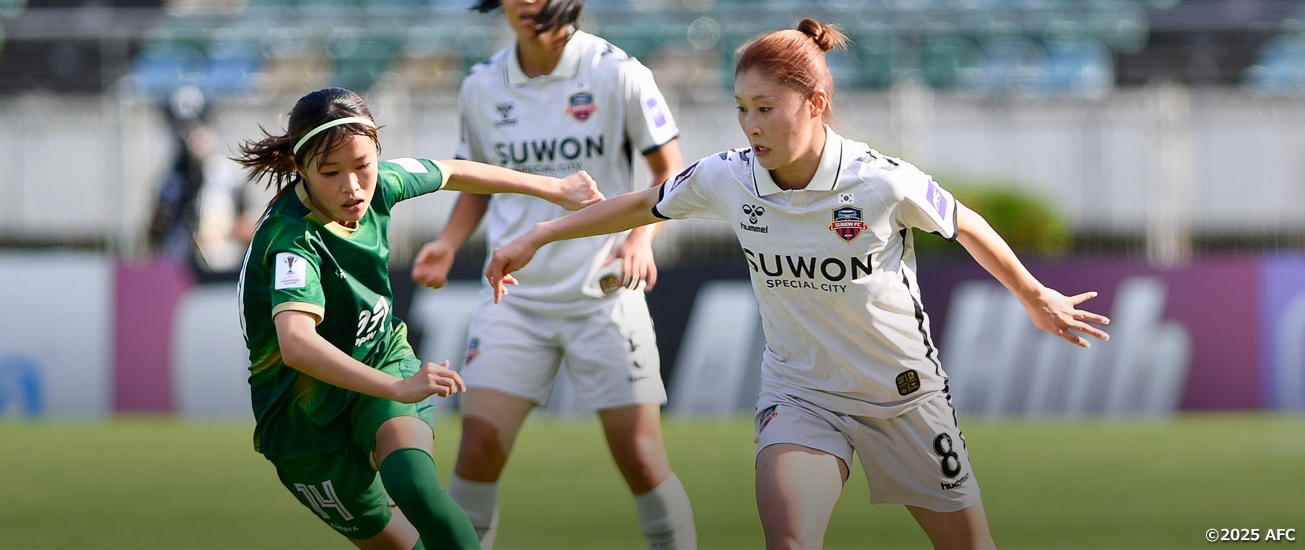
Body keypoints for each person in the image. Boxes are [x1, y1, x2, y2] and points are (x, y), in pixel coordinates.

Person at [484, 19, 1113, 549]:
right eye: (741, 109)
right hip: (802, 394)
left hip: (903, 395)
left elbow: (965, 222)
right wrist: (540, 234)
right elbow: (644, 204)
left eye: (765, 108)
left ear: (814, 103)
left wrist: (1034, 294)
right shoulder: (729, 177)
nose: (750, 125)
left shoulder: (879, 181)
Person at [233, 87, 602, 550]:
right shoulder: (290, 240)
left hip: (380, 358)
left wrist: (555, 189)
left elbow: (453, 171)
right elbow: (297, 345)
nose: (353, 186)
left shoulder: (382, 183)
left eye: (363, 165)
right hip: (303, 424)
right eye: (330, 172)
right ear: (299, 167)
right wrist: (398, 388)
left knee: (417, 489)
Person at [409, 0, 696, 547]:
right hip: (514, 299)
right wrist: (446, 243)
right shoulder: (481, 83)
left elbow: (671, 171)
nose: (526, 3)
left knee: (641, 458)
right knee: (477, 450)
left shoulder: (619, 72)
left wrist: (640, 238)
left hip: (604, 294)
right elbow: (477, 182)